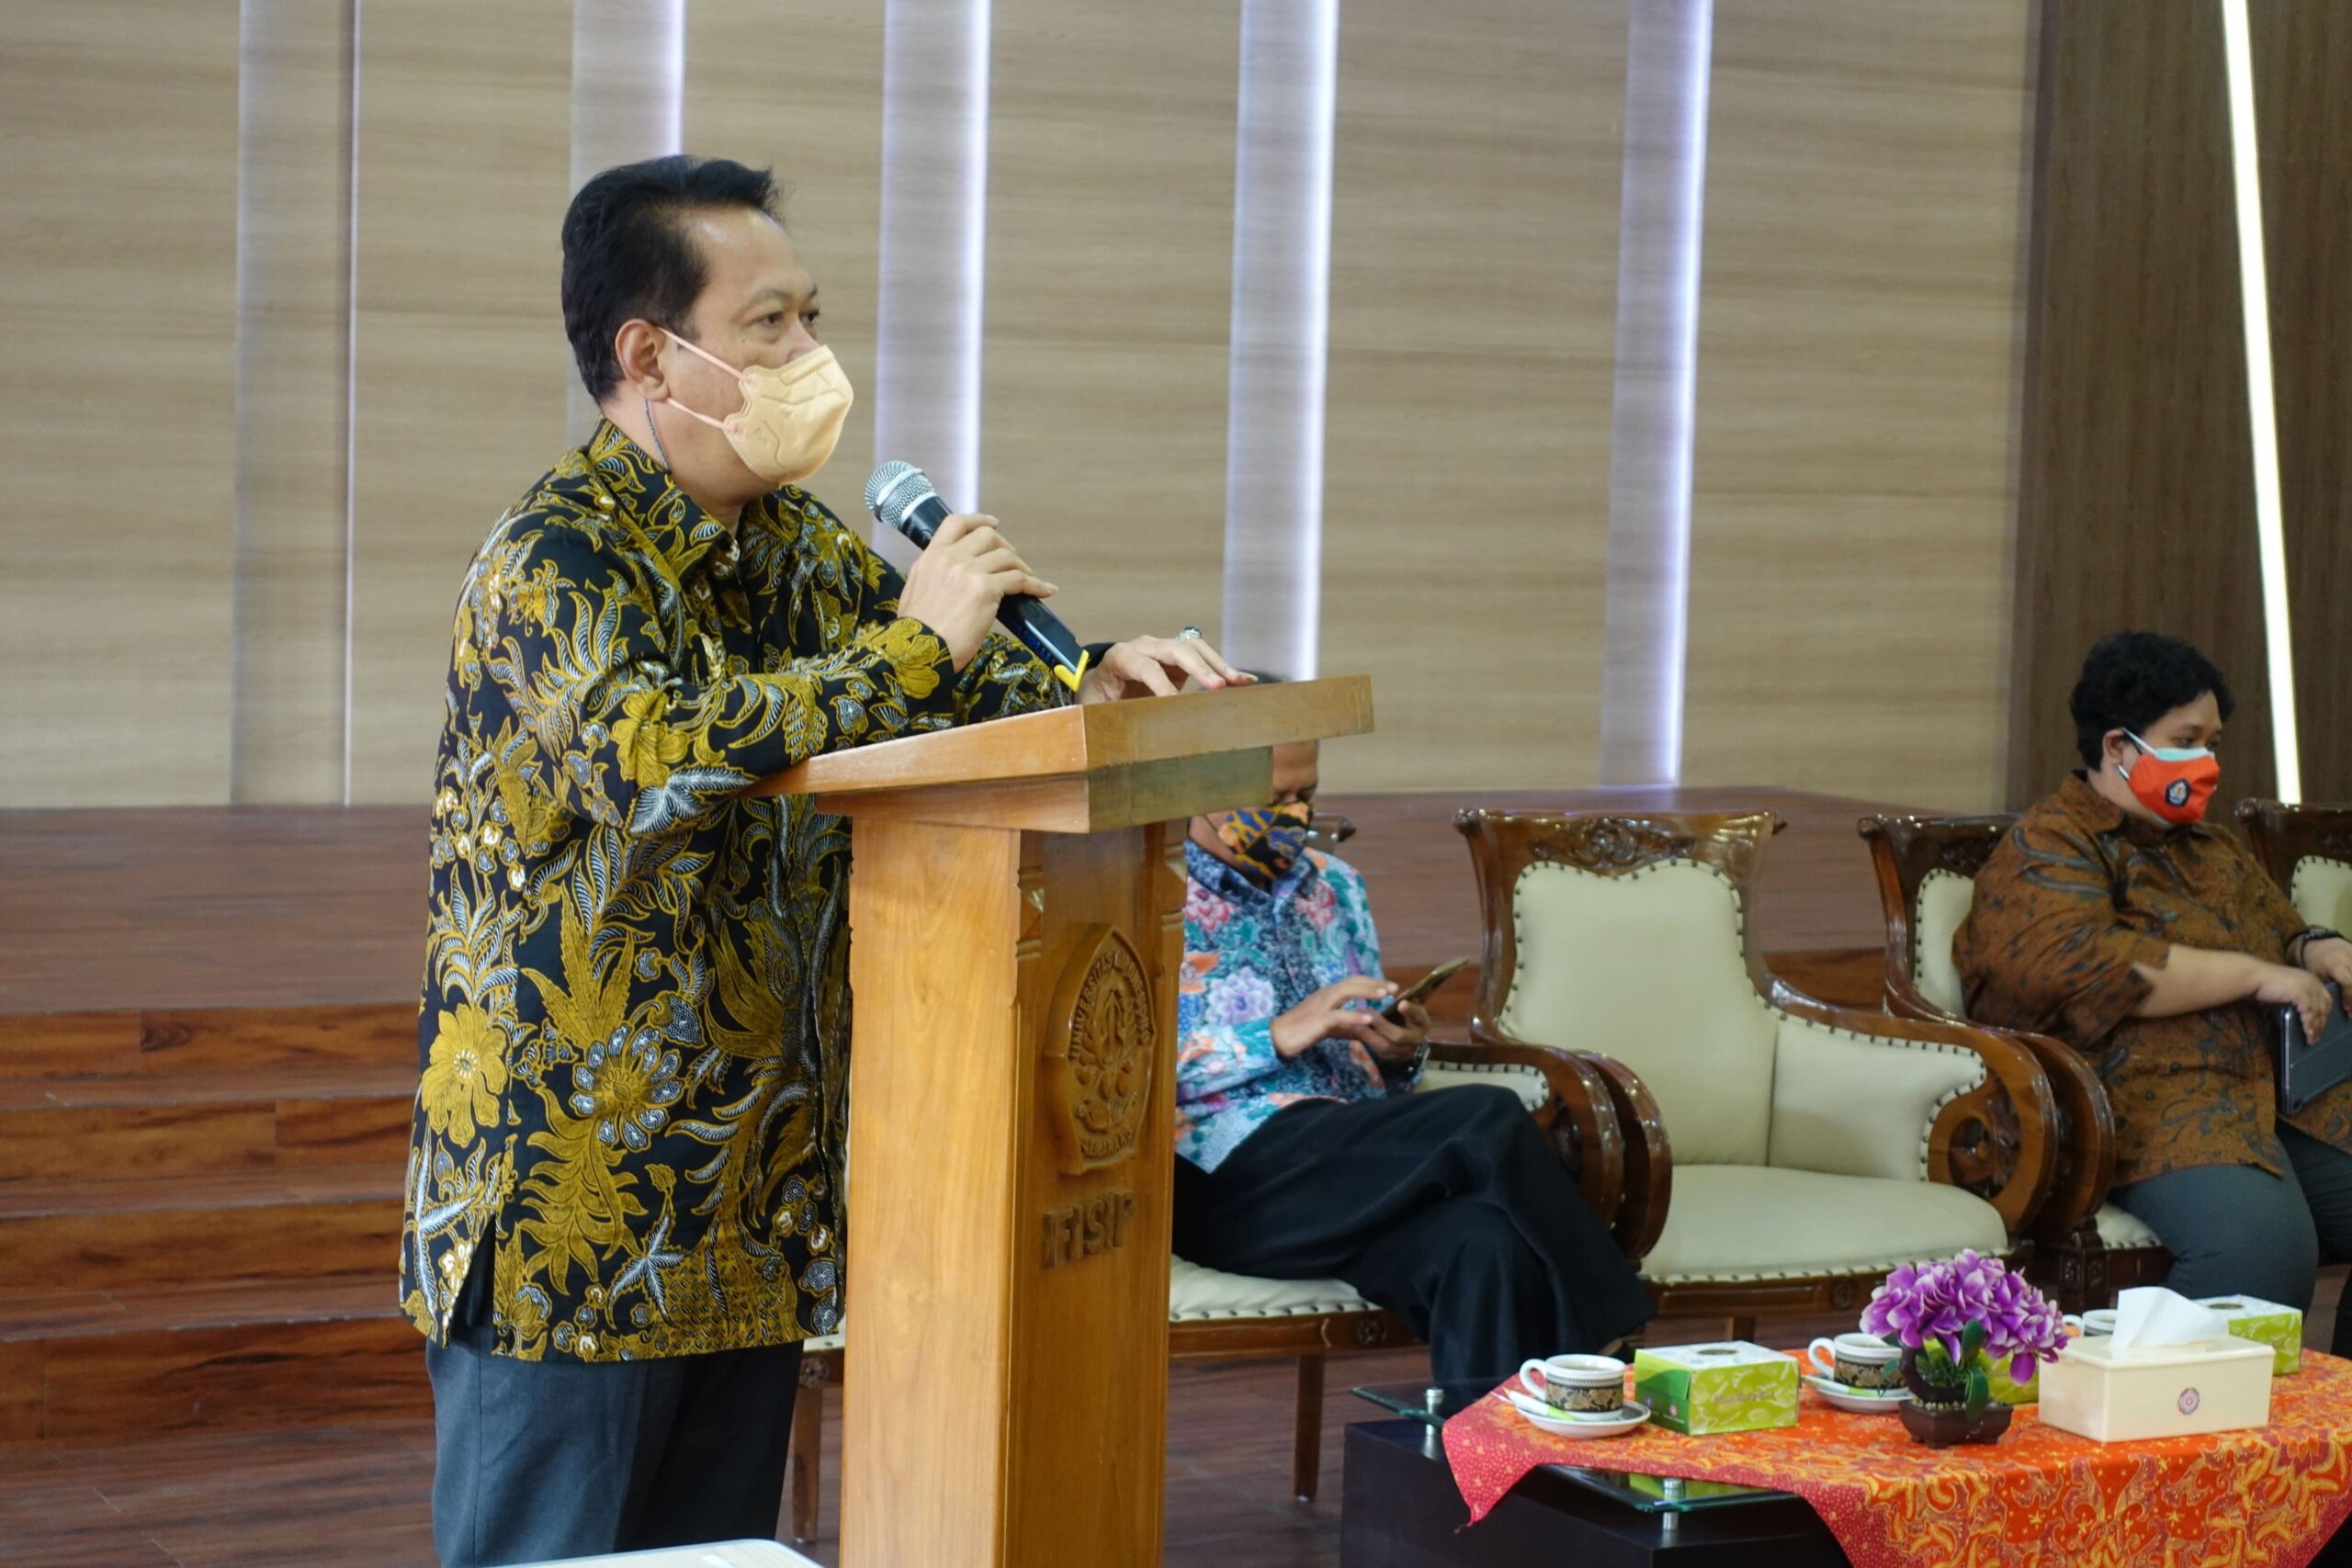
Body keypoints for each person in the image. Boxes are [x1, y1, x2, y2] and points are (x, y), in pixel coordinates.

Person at [400, 154, 1245, 1566]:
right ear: (649, 356)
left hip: (747, 1202)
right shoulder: (554, 557)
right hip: (573, 1216)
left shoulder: (797, 547)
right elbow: (654, 758)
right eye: (770, 323)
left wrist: (1093, 680)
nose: (810, 354)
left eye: (812, 317)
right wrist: (913, 649)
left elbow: (951, 699)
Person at [1168, 729, 1657, 1383]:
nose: (1295, 815)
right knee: (1485, 1117)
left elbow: (1373, 1068)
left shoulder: (1336, 886)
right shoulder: (1151, 896)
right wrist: (1279, 1032)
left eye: (1307, 793)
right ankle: (1611, 1336)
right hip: (1230, 1183)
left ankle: (1488, 1449)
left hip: (1353, 1162)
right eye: (1274, 797)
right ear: (1197, 790)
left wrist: (1399, 1051)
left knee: (1484, 1245)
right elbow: (1122, 1077)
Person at [1956, 631, 2352, 1352]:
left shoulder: (2210, 847)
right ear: (2119, 746)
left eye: (2213, 742)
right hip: (2143, 1102)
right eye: (2186, 740)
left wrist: (2317, 946)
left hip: (2276, 1090)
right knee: (2262, 1249)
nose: (2207, 763)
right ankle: (2157, 1412)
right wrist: (2253, 974)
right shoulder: (2052, 844)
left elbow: (2279, 929)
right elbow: (2090, 964)